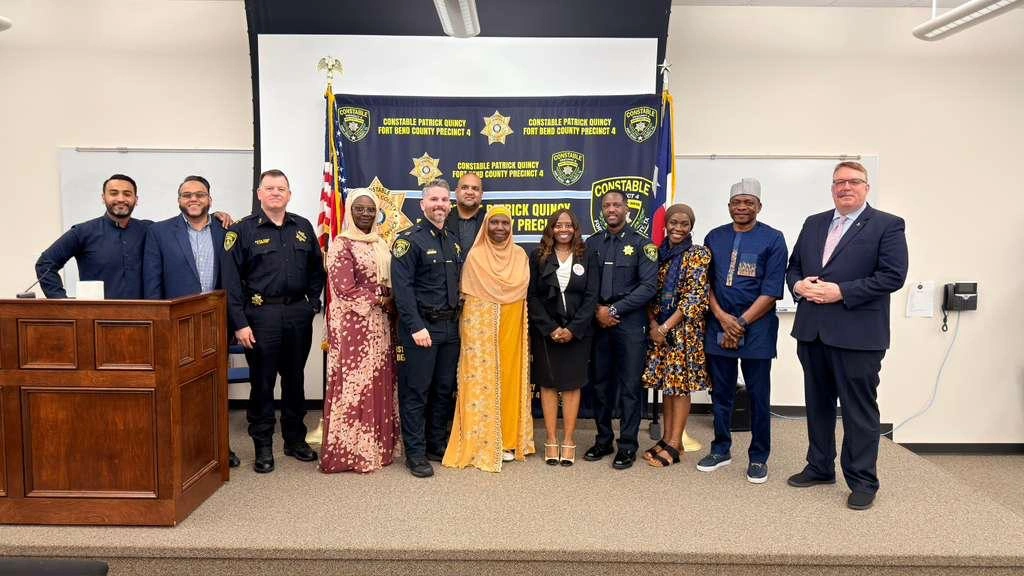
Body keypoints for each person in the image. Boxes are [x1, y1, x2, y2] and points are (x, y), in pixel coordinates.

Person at [785, 161, 908, 510]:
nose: (845, 187)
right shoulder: (814, 223)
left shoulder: (886, 225)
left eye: (853, 181)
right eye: (839, 182)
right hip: (812, 332)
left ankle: (863, 480)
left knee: (859, 412)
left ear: (866, 187)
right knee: (818, 406)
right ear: (832, 188)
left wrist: (841, 291)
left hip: (858, 335)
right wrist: (797, 284)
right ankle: (819, 466)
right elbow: (794, 266)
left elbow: (892, 276)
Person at [221, 169, 325, 474]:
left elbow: (316, 271)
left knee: (295, 380)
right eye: (270, 188)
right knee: (263, 383)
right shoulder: (241, 231)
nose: (276, 192)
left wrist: (311, 304)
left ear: (289, 194)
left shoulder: (302, 227)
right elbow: (231, 282)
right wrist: (239, 323)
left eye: (282, 188)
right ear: (259, 194)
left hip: (297, 315)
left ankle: (295, 440)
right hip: (260, 316)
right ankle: (263, 446)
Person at [142, 174, 240, 468]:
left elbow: (235, 279)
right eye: (187, 195)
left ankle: (219, 448)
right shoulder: (159, 232)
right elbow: (152, 281)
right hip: (177, 323)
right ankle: (183, 451)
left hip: (215, 321)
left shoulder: (227, 231)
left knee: (215, 388)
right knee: (180, 389)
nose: (193, 199)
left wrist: (234, 322)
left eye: (199, 194)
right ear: (179, 200)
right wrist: (156, 322)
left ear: (210, 198)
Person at [696, 179, 787, 483]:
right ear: (729, 207)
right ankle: (721, 448)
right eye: (737, 203)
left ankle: (759, 456)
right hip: (718, 324)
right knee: (721, 393)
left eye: (749, 202)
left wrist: (742, 322)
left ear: (759, 206)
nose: (742, 208)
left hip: (758, 329)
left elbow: (772, 289)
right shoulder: (714, 237)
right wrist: (722, 318)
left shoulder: (774, 239)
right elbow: (704, 284)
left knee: (758, 395)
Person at [443, 207, 535, 472]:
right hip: (481, 326)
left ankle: (507, 439)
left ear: (511, 226)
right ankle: (482, 439)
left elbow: (520, 291)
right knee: (480, 377)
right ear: (486, 225)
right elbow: (469, 295)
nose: (499, 227)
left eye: (504, 223)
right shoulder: (475, 255)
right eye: (494, 222)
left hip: (511, 322)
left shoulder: (519, 255)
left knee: (509, 377)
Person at [320, 189, 399, 474]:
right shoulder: (342, 244)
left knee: (377, 380)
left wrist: (391, 299)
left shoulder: (381, 242)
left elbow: (389, 280)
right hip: (353, 325)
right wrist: (381, 298)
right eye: (359, 209)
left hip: (380, 324)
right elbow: (344, 288)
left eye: (370, 209)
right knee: (355, 384)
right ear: (350, 211)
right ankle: (349, 452)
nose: (365, 214)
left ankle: (376, 448)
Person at [391, 178, 463, 478]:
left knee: (444, 390)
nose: (440, 205)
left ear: (450, 205)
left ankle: (435, 444)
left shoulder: (453, 240)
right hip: (421, 330)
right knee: (416, 392)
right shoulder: (409, 240)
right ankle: (416, 453)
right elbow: (402, 289)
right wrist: (416, 327)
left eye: (444, 200)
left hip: (449, 329)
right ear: (422, 204)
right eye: (434, 200)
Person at [583, 190, 659, 470]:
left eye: (617, 204)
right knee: (600, 385)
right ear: (601, 210)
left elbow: (648, 287)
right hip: (598, 323)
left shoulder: (643, 245)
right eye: (606, 205)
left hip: (629, 324)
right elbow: (586, 286)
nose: (611, 209)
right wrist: (597, 312)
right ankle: (604, 440)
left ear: (627, 209)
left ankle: (627, 445)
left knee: (629, 387)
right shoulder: (592, 244)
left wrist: (613, 311)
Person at [640, 203, 712, 468]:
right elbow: (649, 291)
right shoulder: (657, 254)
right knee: (667, 385)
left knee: (680, 387)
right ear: (666, 225)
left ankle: (673, 444)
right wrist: (652, 323)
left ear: (691, 227)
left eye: (685, 224)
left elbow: (696, 295)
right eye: (674, 223)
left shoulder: (699, 254)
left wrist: (665, 327)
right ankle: (671, 439)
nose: (678, 228)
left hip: (683, 331)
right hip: (659, 328)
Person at [527, 209, 599, 467]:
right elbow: (532, 296)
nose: (564, 229)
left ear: (576, 228)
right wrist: (550, 328)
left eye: (569, 225)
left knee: (571, 385)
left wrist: (573, 328)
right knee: (547, 384)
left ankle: (568, 439)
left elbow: (592, 296)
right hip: (546, 332)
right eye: (558, 225)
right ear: (551, 228)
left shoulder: (587, 255)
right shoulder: (538, 256)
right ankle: (550, 438)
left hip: (578, 332)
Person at [35, 174, 150, 299]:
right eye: (114, 193)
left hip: (144, 314)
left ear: (136, 199)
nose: (121, 199)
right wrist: (63, 302)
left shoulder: (149, 231)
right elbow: (45, 264)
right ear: (103, 198)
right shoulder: (83, 232)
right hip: (97, 315)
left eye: (127, 194)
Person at [445, 172, 485, 252]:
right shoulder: (443, 219)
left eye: (475, 189)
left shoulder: (490, 220)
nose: (470, 192)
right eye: (464, 187)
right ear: (456, 192)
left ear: (481, 194)